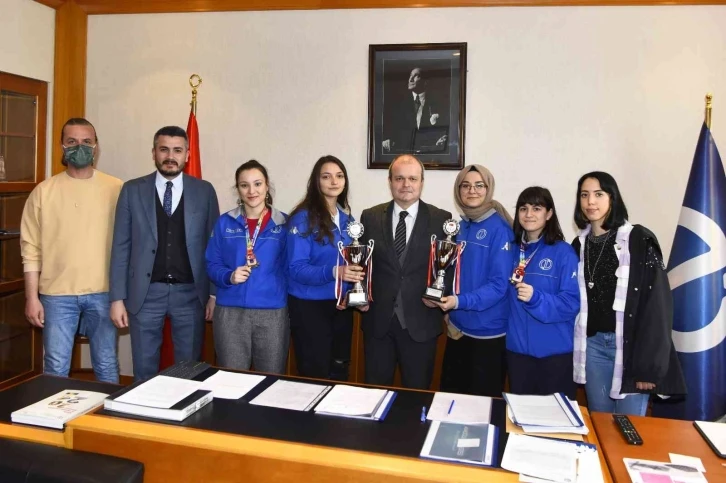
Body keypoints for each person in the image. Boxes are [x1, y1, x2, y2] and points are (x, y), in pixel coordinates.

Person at [109, 125, 220, 382]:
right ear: (154, 153)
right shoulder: (132, 190)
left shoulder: (204, 191)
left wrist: (214, 293)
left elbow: (214, 246)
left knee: (189, 371)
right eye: (164, 150)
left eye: (177, 150)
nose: (171, 156)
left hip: (191, 294)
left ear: (187, 155)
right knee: (144, 370)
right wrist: (116, 298)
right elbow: (120, 246)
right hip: (145, 294)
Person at [572, 171, 686, 415]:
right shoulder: (578, 245)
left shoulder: (638, 239)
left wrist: (648, 367)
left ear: (612, 198)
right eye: (584, 195)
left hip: (630, 348)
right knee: (600, 422)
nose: (590, 202)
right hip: (593, 347)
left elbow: (657, 306)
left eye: (598, 194)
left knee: (629, 425)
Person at [20, 117, 122, 383]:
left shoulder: (117, 189)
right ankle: (55, 424)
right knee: (55, 367)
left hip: (104, 293)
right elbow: (30, 250)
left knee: (107, 364)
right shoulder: (43, 192)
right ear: (62, 147)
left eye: (87, 142)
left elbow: (129, 245)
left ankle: (104, 424)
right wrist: (32, 298)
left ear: (96, 146)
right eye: (72, 142)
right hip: (56, 296)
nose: (80, 147)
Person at [359, 154, 452, 389]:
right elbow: (361, 265)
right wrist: (357, 294)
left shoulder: (442, 219)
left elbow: (448, 268)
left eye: (413, 178)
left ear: (422, 182)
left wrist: (440, 297)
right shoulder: (369, 217)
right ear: (390, 182)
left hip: (421, 322)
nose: (406, 184)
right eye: (399, 178)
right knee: (374, 393)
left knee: (417, 395)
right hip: (378, 323)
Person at [430, 165, 513, 397]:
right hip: (458, 331)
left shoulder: (501, 229)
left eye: (479, 185)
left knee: (481, 411)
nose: (472, 191)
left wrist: (458, 302)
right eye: (465, 185)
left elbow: (499, 285)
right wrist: (447, 306)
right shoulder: (461, 225)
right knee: (451, 402)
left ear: (489, 188)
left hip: (488, 335)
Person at [206, 160, 288, 373]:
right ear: (238, 189)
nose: (252, 191)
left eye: (257, 184)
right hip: (230, 312)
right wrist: (228, 276)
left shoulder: (285, 224)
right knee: (231, 381)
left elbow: (292, 268)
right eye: (244, 185)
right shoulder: (224, 222)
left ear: (267, 186)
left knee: (270, 382)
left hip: (272, 313)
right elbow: (211, 263)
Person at [287, 155, 361, 381]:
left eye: (339, 176)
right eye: (326, 176)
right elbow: (296, 268)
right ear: (316, 182)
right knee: (314, 375)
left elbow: (354, 265)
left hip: (341, 307)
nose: (334, 182)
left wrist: (355, 294)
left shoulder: (349, 221)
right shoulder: (302, 218)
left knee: (339, 370)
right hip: (309, 307)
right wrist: (334, 271)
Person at [506, 186, 580, 400]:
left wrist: (536, 298)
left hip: (555, 354)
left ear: (548, 214)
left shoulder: (564, 252)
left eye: (537, 208)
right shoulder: (511, 250)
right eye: (523, 208)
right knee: (521, 420)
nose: (529, 214)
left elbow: (571, 303)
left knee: (556, 423)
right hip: (517, 353)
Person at [382, 67, 448, 154]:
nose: (410, 79)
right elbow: (388, 129)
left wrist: (442, 140)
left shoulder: (438, 103)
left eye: (416, 76)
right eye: (410, 75)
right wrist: (386, 139)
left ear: (425, 82)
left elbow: (444, 131)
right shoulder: (397, 103)